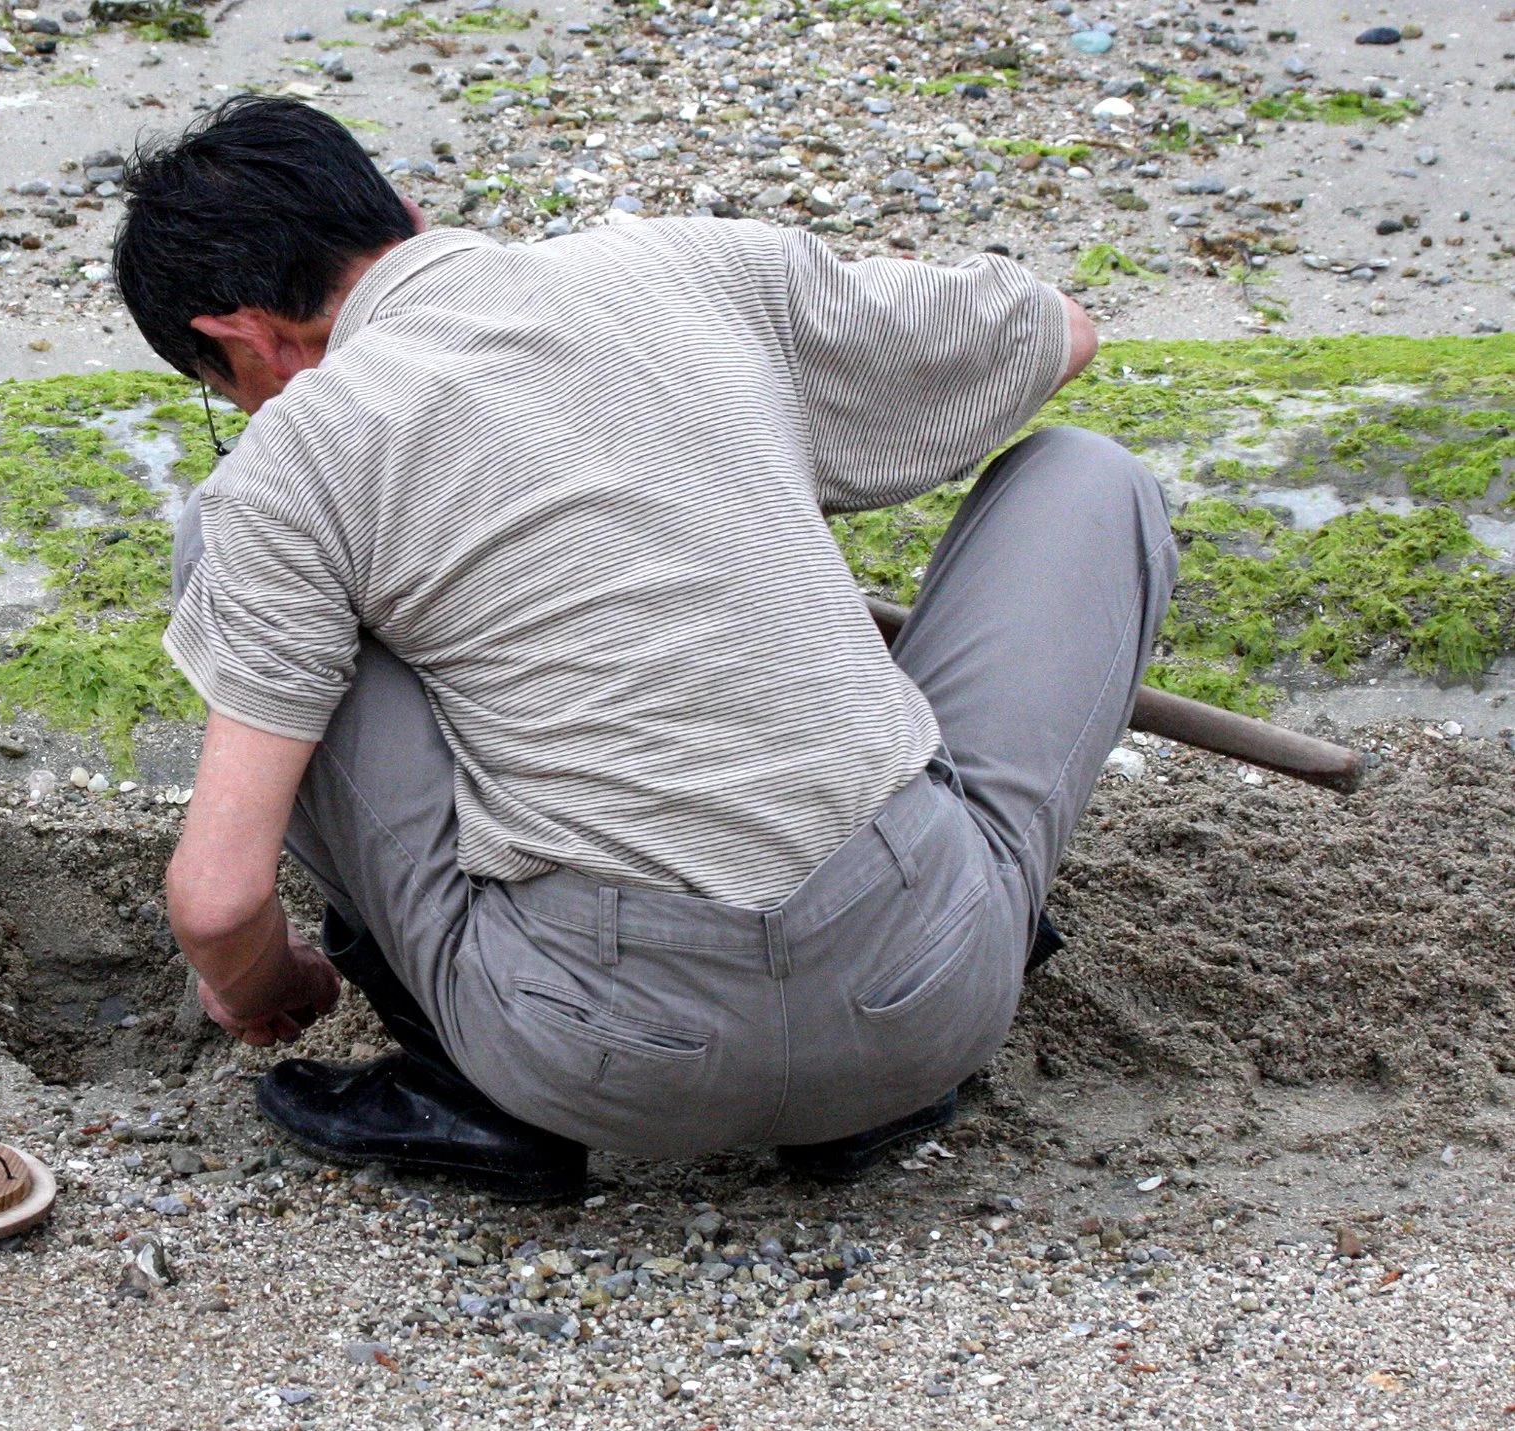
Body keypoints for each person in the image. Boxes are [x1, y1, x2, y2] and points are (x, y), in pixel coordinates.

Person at [113, 96, 1172, 1201]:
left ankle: (461, 1084)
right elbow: (1061, 329)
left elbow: (219, 903)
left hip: (595, 1054)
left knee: (221, 545)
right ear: (404, 216)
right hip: (928, 998)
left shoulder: (295, 460)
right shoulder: (687, 266)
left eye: (225, 392)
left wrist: (264, 987)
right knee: (1090, 478)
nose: (247, 413)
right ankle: (879, 1091)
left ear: (240, 337)